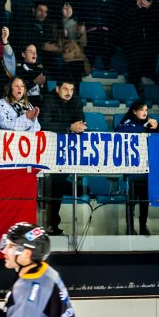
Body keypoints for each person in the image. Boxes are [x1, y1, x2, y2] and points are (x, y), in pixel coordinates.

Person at [39, 80, 87, 235]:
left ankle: (53, 223)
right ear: (57, 88)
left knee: (58, 186)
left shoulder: (76, 101)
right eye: (65, 88)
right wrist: (69, 127)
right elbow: (45, 124)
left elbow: (80, 122)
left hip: (67, 152)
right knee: (55, 186)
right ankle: (51, 223)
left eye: (71, 89)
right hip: (47, 151)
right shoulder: (48, 100)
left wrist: (79, 127)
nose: (68, 92)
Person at [115, 99, 159, 235]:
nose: (144, 112)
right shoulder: (127, 122)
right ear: (134, 111)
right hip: (131, 170)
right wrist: (144, 129)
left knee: (144, 201)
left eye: (146, 110)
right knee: (131, 201)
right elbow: (119, 131)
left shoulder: (149, 122)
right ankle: (130, 228)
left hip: (146, 169)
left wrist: (158, 126)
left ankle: (143, 226)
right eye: (142, 110)